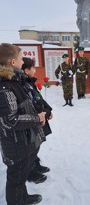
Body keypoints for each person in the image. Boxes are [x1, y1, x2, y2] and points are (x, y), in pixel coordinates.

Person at [0, 43, 46, 205]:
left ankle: (23, 198)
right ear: (13, 62)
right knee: (16, 178)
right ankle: (16, 201)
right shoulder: (5, 87)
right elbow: (10, 121)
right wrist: (36, 118)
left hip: (22, 140)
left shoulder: (14, 81)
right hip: (15, 143)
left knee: (21, 174)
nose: (23, 61)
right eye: (20, 59)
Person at [22, 57, 52, 183]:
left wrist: (48, 110)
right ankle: (30, 172)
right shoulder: (22, 85)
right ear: (26, 70)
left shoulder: (30, 82)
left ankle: (35, 164)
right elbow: (30, 103)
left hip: (40, 116)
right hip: (34, 119)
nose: (35, 70)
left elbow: (38, 97)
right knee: (32, 147)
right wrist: (43, 113)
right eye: (33, 68)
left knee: (37, 144)